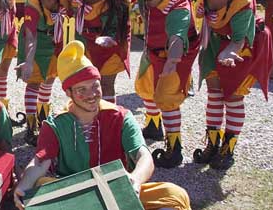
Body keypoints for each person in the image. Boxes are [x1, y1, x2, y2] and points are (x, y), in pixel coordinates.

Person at [14, 41, 191, 210]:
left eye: (95, 86)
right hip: (74, 194)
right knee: (37, 186)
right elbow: (40, 163)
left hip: (117, 190)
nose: (91, 95)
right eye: (81, 90)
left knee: (175, 195)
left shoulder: (121, 116)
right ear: (68, 93)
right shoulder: (55, 124)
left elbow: (144, 156)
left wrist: (135, 180)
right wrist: (23, 186)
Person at [192, 0, 273, 170]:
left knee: (234, 96)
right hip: (215, 41)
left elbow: (239, 39)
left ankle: (229, 148)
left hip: (244, 43)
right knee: (214, 93)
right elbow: (204, 14)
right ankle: (213, 144)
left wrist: (229, 52)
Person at [132, 0, 200, 168]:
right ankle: (153, 125)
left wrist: (173, 60)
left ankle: (175, 148)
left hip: (174, 55)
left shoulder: (179, 6)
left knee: (168, 98)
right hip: (152, 49)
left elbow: (177, 36)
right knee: (146, 87)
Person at [17, 0, 71, 146]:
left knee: (49, 78)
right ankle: (31, 126)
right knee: (34, 82)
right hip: (36, 39)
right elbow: (31, 35)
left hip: (55, 39)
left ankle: (43, 117)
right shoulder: (32, 3)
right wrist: (29, 60)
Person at [72, 0, 133, 104]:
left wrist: (109, 37)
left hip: (111, 46)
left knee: (106, 84)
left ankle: (107, 120)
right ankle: (88, 119)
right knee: (85, 82)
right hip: (85, 42)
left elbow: (117, 26)